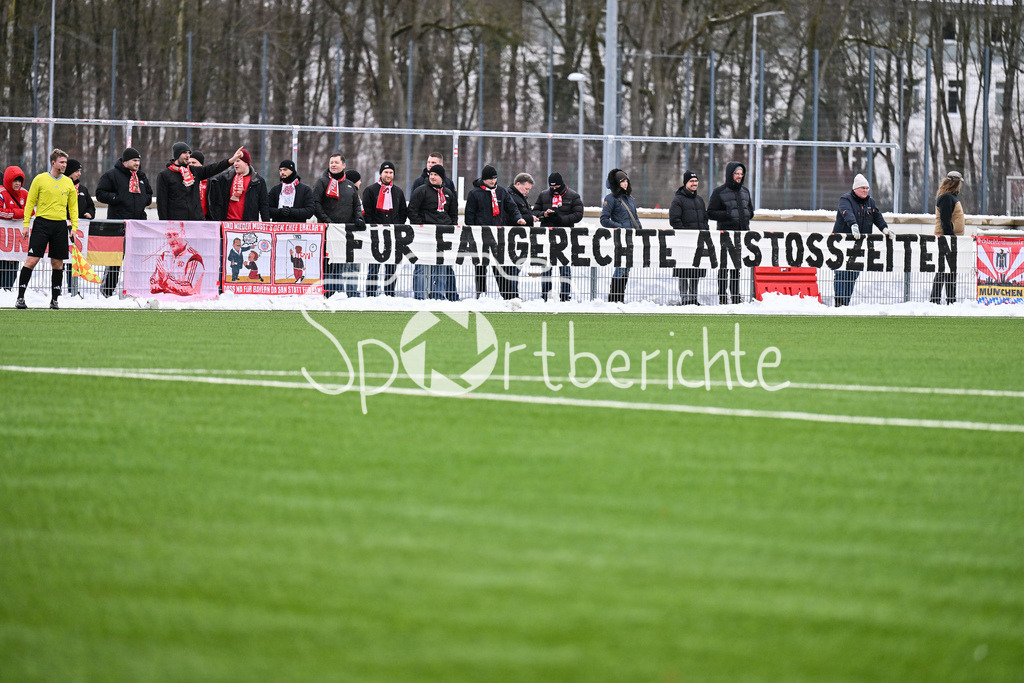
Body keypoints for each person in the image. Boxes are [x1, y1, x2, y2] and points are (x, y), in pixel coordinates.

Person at [14, 149, 77, 309]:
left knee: (57, 263)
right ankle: (20, 298)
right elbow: (30, 203)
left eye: (65, 163)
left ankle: (54, 300)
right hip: (42, 224)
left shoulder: (68, 183)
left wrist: (74, 227)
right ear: (53, 163)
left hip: (60, 226)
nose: (64, 165)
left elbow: (73, 207)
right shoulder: (40, 179)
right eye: (62, 162)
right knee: (32, 260)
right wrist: (26, 224)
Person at [96, 147, 153, 297]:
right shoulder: (112, 175)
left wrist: (143, 201)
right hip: (118, 225)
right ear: (125, 161)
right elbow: (100, 193)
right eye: (134, 160)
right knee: (115, 259)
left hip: (138, 224)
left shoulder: (141, 176)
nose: (137, 164)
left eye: (139, 161)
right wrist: (117, 198)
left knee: (138, 259)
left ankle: (135, 290)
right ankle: (107, 292)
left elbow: (149, 194)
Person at [831, 173, 895, 306]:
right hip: (843, 244)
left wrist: (884, 228)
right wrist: (853, 225)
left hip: (860, 244)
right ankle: (839, 303)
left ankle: (846, 302)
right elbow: (847, 212)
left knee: (853, 274)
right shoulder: (845, 199)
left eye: (867, 188)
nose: (865, 190)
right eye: (863, 188)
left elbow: (877, 216)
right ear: (855, 189)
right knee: (842, 273)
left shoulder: (870, 202)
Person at [464, 164, 525, 298]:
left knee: (500, 267)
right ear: (483, 179)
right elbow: (469, 216)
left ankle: (507, 296)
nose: (493, 181)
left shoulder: (501, 192)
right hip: (481, 238)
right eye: (490, 179)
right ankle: (481, 295)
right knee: (480, 267)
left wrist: (518, 218)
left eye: (495, 178)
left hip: (498, 238)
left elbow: (512, 208)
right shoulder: (474, 193)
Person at [313, 152, 364, 297]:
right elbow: (315, 204)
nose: (333, 165)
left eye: (336, 162)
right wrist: (327, 221)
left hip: (344, 233)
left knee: (341, 264)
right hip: (327, 232)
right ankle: (327, 293)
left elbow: (356, 206)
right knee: (327, 265)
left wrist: (359, 219)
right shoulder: (322, 182)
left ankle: (340, 294)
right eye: (331, 162)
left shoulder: (349, 185)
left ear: (343, 165)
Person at [408, 163, 459, 301]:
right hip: (425, 236)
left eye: (436, 175)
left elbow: (453, 213)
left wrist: (451, 226)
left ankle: (438, 296)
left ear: (442, 177)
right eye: (431, 174)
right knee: (422, 266)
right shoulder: (421, 191)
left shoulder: (449, 193)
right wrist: (421, 225)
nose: (433, 177)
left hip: (443, 236)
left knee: (441, 266)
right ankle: (420, 296)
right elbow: (412, 210)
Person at [706, 161, 753, 304]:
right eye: (736, 174)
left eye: (741, 174)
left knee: (736, 268)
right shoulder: (719, 192)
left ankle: (735, 296)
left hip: (741, 236)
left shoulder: (745, 192)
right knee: (724, 267)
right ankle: (722, 297)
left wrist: (747, 215)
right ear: (730, 174)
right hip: (725, 236)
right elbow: (710, 213)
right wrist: (727, 215)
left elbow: (750, 211)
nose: (739, 176)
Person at [156, 142, 243, 220]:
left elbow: (213, 168)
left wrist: (231, 160)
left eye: (189, 153)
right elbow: (161, 203)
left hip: (197, 221)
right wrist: (164, 224)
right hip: (177, 222)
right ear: (176, 155)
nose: (188, 155)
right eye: (184, 153)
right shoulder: (164, 175)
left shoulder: (194, 171)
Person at [533, 172, 584, 302]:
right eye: (552, 187)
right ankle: (546, 295)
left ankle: (565, 295)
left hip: (565, 236)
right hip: (547, 235)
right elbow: (534, 212)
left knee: (565, 267)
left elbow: (578, 215)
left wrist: (561, 219)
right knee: (546, 267)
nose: (554, 189)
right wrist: (544, 214)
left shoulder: (573, 196)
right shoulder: (544, 195)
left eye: (556, 186)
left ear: (561, 184)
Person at [362, 161, 408, 297]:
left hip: (392, 235)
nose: (388, 175)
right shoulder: (370, 190)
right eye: (386, 172)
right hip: (375, 235)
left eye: (391, 172)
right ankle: (370, 294)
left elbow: (403, 212)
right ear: (381, 173)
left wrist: (396, 225)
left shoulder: (398, 192)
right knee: (373, 268)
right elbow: (367, 212)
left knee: (391, 268)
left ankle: (389, 294)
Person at [600, 168, 642, 304]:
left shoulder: (630, 199)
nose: (625, 183)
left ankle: (620, 298)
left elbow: (635, 217)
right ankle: (614, 298)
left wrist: (640, 230)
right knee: (620, 268)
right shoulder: (610, 199)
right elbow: (604, 219)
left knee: (627, 268)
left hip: (631, 238)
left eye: (626, 181)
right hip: (621, 238)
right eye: (622, 181)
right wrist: (620, 226)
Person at [668, 170, 709, 305]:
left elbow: (704, 220)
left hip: (698, 242)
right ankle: (685, 298)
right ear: (685, 183)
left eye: (696, 181)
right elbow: (674, 220)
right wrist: (685, 234)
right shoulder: (678, 199)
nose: (694, 183)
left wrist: (704, 233)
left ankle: (693, 298)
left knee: (696, 270)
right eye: (691, 181)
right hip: (683, 242)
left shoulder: (699, 200)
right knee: (683, 271)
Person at [206, 148, 270, 222]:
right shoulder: (225, 178)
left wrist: (266, 225)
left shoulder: (258, 181)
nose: (235, 164)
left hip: (247, 225)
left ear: (246, 163)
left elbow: (264, 205)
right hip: (227, 223)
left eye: (238, 161)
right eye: (234, 161)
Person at [931, 170, 965, 305]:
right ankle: (943, 300)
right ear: (956, 184)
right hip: (946, 239)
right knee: (945, 270)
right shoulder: (947, 198)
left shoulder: (949, 197)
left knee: (947, 270)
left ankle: (945, 300)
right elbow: (945, 221)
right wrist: (951, 239)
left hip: (948, 238)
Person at [64, 158, 95, 296]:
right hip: (63, 228)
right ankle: (58, 288)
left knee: (74, 261)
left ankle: (73, 290)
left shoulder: (83, 190)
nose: (79, 174)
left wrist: (89, 213)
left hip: (80, 230)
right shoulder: (62, 187)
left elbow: (91, 206)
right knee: (61, 260)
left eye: (80, 171)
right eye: (77, 171)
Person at [503, 172, 535, 299]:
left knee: (515, 268)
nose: (527, 191)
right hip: (513, 237)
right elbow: (511, 216)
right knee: (512, 268)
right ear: (517, 184)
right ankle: (512, 295)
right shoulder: (510, 196)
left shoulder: (520, 196)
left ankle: (512, 295)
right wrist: (530, 218)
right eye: (526, 188)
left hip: (520, 237)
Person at [150, 223, 204, 295]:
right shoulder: (164, 256)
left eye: (175, 235)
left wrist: (166, 280)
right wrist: (158, 284)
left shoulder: (194, 257)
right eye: (169, 236)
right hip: (166, 303)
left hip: (187, 304)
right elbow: (153, 284)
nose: (172, 240)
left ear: (183, 233)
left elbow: (189, 289)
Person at [0, 165, 29, 290]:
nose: (17, 184)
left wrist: (12, 214)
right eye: (14, 181)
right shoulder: (1, 193)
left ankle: (8, 290)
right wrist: (17, 214)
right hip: (2, 240)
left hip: (15, 242)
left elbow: (31, 211)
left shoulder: (25, 193)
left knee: (13, 266)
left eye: (19, 181)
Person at [268, 159, 315, 224]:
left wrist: (291, 212)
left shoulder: (305, 190)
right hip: (278, 229)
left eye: (285, 170)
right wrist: (280, 211)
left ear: (292, 170)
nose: (282, 172)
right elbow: (267, 210)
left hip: (298, 230)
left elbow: (309, 211)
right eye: (280, 170)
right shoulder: (275, 190)